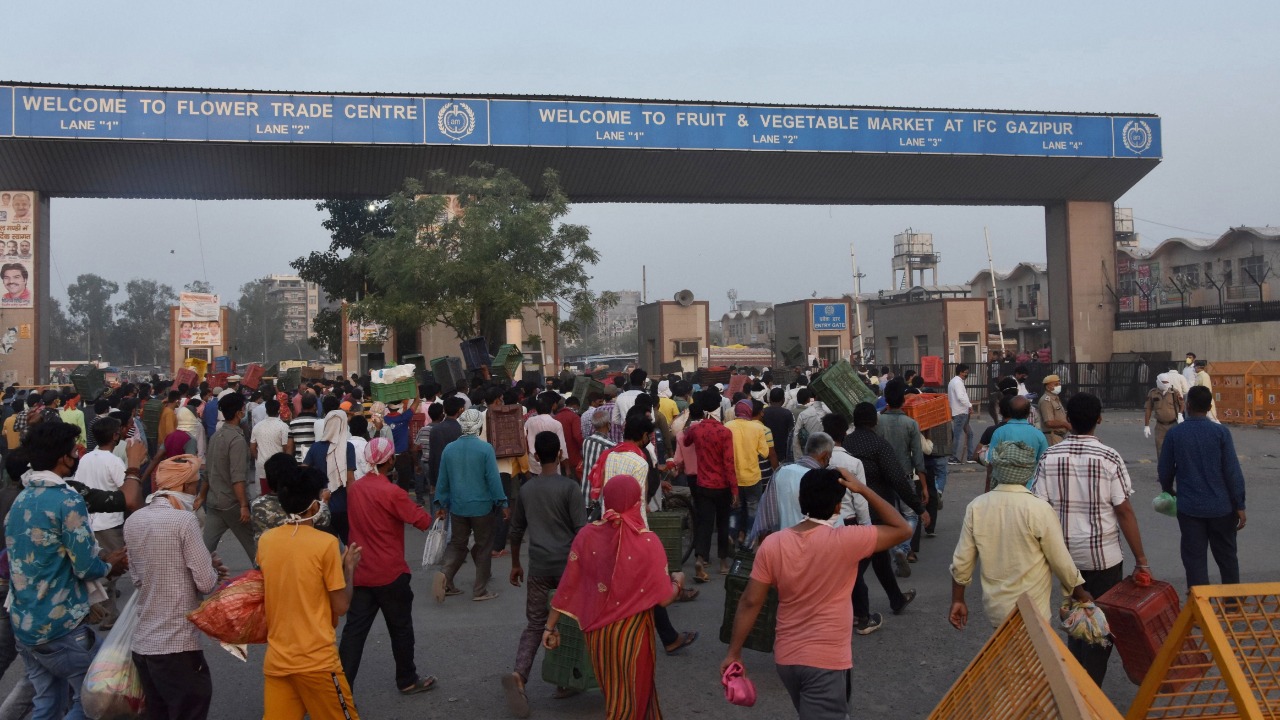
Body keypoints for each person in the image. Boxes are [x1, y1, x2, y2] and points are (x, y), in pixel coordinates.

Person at [721, 467, 911, 719]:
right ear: (837, 508)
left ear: (801, 501)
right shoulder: (847, 541)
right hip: (825, 662)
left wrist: (734, 652)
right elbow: (902, 529)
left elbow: (750, 602)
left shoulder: (773, 544)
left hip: (787, 659)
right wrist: (862, 489)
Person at [5, 422, 129, 719]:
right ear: (64, 457)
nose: (77, 455)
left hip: (24, 623)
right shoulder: (67, 499)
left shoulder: (21, 498)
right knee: (95, 701)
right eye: (75, 450)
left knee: (47, 703)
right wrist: (112, 564)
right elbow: (86, 566)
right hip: (60, 626)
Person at [1031, 391, 1149, 684]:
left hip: (1064, 560)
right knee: (1099, 629)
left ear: (1068, 420)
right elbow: (1124, 511)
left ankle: (1074, 685)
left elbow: (1038, 508)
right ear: (1099, 419)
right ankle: (1088, 692)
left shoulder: (1050, 456)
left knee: (1074, 620)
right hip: (1104, 559)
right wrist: (1141, 560)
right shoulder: (1109, 457)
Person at [543, 478, 683, 720]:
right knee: (632, 698)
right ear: (636, 502)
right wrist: (678, 583)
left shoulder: (587, 535)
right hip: (633, 635)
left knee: (615, 694)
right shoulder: (648, 542)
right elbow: (663, 600)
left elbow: (568, 585)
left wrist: (550, 626)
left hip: (599, 637)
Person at [125, 454, 228, 720]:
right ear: (183, 486)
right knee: (190, 708)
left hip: (144, 642)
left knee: (158, 712)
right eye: (195, 482)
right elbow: (205, 582)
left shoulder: (134, 521)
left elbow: (138, 579)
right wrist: (213, 568)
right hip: (176, 643)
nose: (197, 488)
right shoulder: (184, 521)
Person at [258, 463, 364, 719]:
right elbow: (340, 606)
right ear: (315, 504)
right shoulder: (326, 544)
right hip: (317, 662)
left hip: (278, 661)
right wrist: (348, 568)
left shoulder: (266, 541)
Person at [949, 440, 1092, 630]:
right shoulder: (1039, 509)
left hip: (996, 610)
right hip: (1034, 610)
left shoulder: (977, 506)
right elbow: (1061, 561)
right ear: (1028, 472)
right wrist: (1081, 594)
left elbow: (962, 563)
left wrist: (958, 600)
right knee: (1035, 657)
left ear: (998, 469)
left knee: (1008, 656)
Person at [338, 438, 437, 695]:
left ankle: (339, 690)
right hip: (390, 572)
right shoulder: (392, 492)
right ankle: (406, 679)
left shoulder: (356, 489)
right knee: (400, 628)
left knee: (353, 633)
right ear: (390, 461)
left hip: (360, 570)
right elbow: (422, 521)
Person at [503, 432, 588, 716]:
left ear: (536, 457)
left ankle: (519, 675)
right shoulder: (570, 488)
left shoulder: (527, 490)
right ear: (561, 455)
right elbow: (581, 532)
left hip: (538, 567)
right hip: (568, 568)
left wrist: (516, 563)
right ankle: (565, 680)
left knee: (536, 624)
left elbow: (516, 530)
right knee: (568, 624)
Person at [1159, 385, 1247, 589]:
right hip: (1222, 508)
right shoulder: (1221, 433)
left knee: (1195, 560)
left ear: (1187, 405)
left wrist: (1168, 490)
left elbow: (1165, 470)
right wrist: (1240, 505)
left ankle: (1200, 608)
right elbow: (1232, 472)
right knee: (1227, 557)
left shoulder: (1175, 434)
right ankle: (1233, 603)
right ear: (1209, 407)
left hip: (1190, 509)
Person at [433, 409, 508, 603]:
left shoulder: (449, 449)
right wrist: (502, 501)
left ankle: (445, 576)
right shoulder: (485, 449)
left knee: (458, 544)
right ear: (479, 427)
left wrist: (440, 503)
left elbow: (443, 480)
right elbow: (493, 479)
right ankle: (480, 590)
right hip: (482, 507)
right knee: (483, 546)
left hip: (457, 506)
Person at [75, 417, 131, 630]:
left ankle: (104, 609)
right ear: (115, 436)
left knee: (101, 565)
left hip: (91, 520)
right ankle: (107, 614)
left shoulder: (86, 458)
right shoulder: (113, 461)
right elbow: (126, 490)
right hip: (109, 521)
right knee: (112, 568)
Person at [682, 390, 738, 577]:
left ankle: (700, 559)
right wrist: (735, 490)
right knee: (722, 524)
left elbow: (686, 440)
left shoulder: (696, 430)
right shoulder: (724, 432)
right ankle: (723, 563)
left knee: (705, 523)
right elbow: (729, 463)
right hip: (722, 485)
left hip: (703, 483)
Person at [199, 393, 256, 563]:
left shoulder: (216, 437)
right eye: (243, 409)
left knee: (204, 551)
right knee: (256, 549)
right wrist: (244, 505)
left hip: (214, 501)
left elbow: (208, 472)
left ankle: (191, 580)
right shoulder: (237, 440)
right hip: (232, 503)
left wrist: (202, 496)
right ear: (239, 413)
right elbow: (237, 478)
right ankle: (268, 581)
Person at [303, 409, 358, 545]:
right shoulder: (348, 447)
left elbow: (303, 474)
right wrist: (354, 506)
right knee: (349, 545)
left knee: (326, 547)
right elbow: (350, 479)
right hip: (343, 506)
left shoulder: (315, 448)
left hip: (320, 507)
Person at [251, 453, 331, 542]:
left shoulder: (256, 505)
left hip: (266, 553)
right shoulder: (300, 502)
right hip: (299, 552)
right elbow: (325, 521)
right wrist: (324, 500)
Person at [725, 399, 774, 543]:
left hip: (733, 477)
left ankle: (732, 533)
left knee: (735, 508)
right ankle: (748, 539)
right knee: (753, 508)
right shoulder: (757, 428)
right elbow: (765, 453)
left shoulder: (727, 426)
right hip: (753, 476)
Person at [250, 398, 291, 496]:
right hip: (279, 466)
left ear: (266, 411)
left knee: (265, 493)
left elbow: (252, 447)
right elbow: (286, 448)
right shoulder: (283, 427)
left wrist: (259, 458)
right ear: (278, 411)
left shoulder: (257, 426)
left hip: (262, 465)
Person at [1144, 372, 1184, 457]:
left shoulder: (1174, 392)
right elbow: (1148, 409)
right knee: (1160, 450)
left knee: (1175, 449)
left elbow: (1182, 404)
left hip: (1173, 424)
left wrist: (1180, 414)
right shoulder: (1153, 393)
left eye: (1167, 382)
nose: (1165, 384)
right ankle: (1162, 469)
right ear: (1158, 382)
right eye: (1163, 382)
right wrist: (1146, 425)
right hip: (1160, 426)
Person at [947, 364, 976, 463]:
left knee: (970, 434)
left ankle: (970, 456)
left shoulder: (953, 381)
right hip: (960, 412)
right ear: (961, 372)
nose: (966, 374)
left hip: (960, 412)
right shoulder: (958, 383)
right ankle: (952, 457)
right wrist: (969, 405)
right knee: (957, 435)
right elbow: (961, 397)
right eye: (965, 372)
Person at [1037, 374, 1070, 446]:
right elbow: (1049, 422)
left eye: (1059, 384)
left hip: (1059, 436)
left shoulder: (1055, 398)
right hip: (1052, 437)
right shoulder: (1046, 401)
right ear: (1048, 387)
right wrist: (1066, 424)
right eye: (1056, 384)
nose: (1059, 386)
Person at [289, 393, 320, 462]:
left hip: (298, 464)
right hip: (314, 464)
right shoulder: (318, 422)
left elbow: (289, 448)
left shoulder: (292, 423)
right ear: (314, 406)